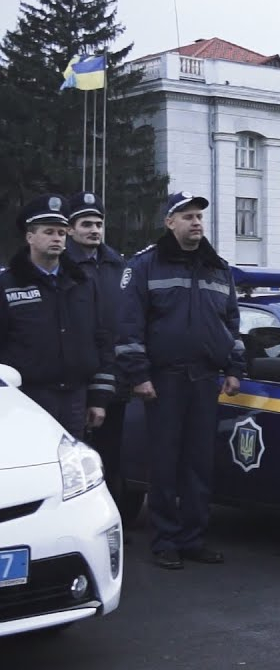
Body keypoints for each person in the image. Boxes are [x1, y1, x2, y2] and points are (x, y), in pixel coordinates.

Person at [117, 191, 244, 570]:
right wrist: (138, 375)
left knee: (198, 464)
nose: (196, 223)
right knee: (165, 463)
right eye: (187, 216)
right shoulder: (145, 266)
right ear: (169, 222)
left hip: (205, 379)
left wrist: (235, 368)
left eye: (199, 217)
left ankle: (193, 538)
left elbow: (232, 324)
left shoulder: (217, 268)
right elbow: (128, 324)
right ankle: (165, 540)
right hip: (163, 379)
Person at [0, 194, 113, 436]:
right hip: (25, 398)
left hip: (75, 398)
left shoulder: (83, 283)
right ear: (30, 237)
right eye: (49, 232)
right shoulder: (8, 284)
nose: (57, 238)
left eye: (61, 233)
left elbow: (101, 339)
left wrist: (99, 397)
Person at [63, 192, 130, 505]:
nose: (94, 229)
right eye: (86, 223)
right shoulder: (61, 264)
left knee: (110, 455)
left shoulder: (118, 265)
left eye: (99, 223)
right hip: (73, 376)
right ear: (71, 229)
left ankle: (109, 519)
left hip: (114, 376)